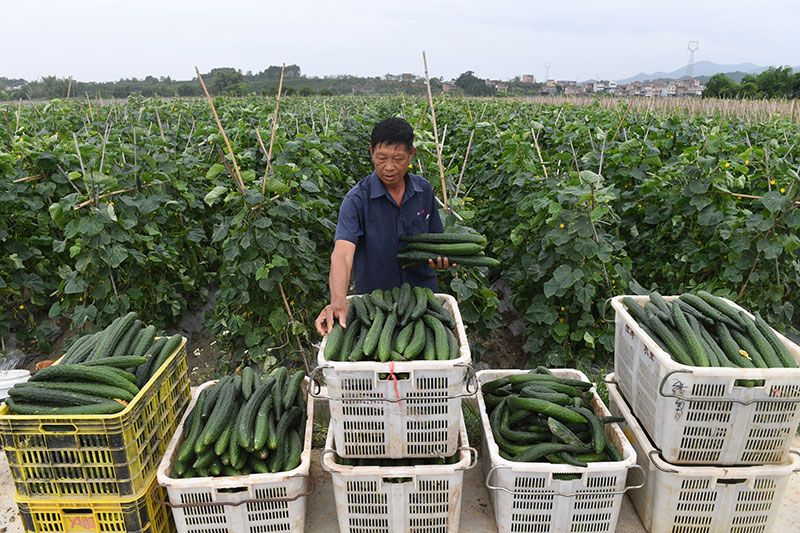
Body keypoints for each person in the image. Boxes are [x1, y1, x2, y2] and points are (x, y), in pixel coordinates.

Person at [314, 117, 455, 336]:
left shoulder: (424, 190)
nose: (389, 167)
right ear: (371, 152)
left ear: (411, 155)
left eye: (398, 159)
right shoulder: (357, 200)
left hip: (423, 301)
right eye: (381, 158)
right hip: (375, 306)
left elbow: (435, 242)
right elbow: (342, 253)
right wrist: (337, 301)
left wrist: (440, 261)